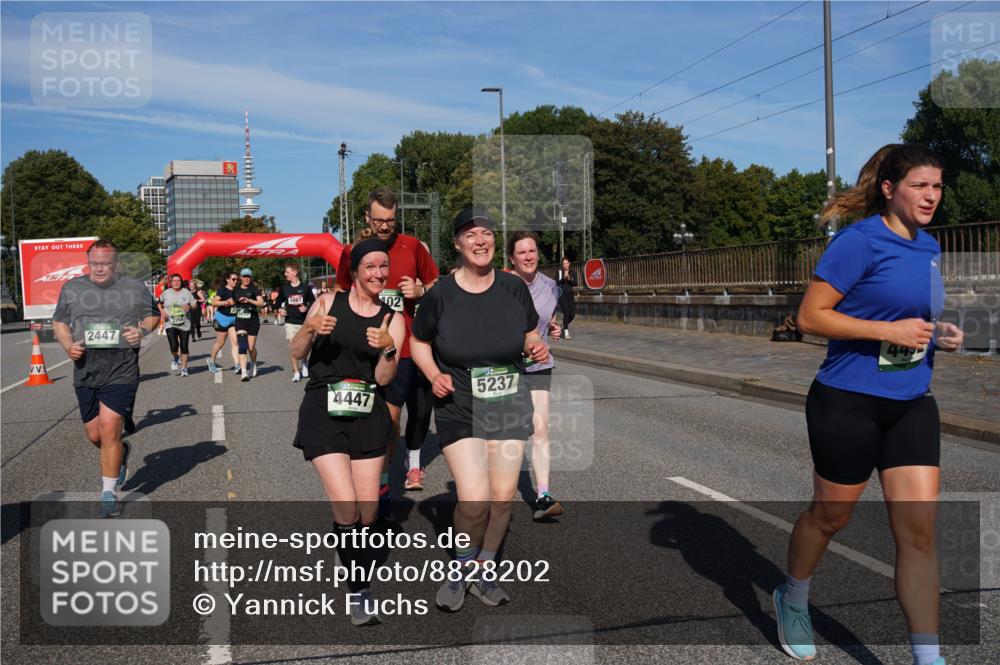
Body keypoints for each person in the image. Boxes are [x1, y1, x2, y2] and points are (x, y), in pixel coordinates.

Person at [774, 144, 962, 665]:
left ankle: (929, 657)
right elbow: (810, 317)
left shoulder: (929, 248)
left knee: (918, 534)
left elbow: (911, 314)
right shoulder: (859, 241)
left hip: (911, 403)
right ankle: (792, 597)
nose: (932, 196)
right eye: (920, 185)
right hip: (848, 401)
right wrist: (889, 329)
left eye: (938, 186)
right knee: (831, 515)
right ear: (889, 188)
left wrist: (937, 331)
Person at [411, 206, 548, 612]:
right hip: (460, 405)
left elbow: (526, 334)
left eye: (486, 233)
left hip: (507, 402)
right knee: (474, 499)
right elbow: (419, 342)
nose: (480, 240)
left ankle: (485, 569)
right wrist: (434, 373)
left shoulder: (512, 289)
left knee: (503, 497)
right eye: (470, 235)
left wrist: (535, 345)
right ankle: (460, 567)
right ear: (457, 244)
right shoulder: (440, 295)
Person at [290, 238, 405, 626]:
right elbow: (296, 352)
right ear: (354, 271)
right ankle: (359, 591)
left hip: (368, 409)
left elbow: (384, 377)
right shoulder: (326, 302)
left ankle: (346, 535)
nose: (378, 274)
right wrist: (309, 327)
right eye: (370, 267)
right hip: (323, 407)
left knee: (368, 511)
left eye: (383, 267)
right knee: (345, 503)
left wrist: (389, 349)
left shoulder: (393, 317)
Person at [335, 188, 439, 500]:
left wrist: (420, 290)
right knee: (366, 416)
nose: (384, 226)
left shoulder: (412, 247)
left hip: (403, 348)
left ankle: (386, 477)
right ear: (367, 216)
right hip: (363, 349)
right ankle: (370, 476)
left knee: (395, 417)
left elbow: (435, 285)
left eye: (390, 221)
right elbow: (341, 293)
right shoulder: (352, 250)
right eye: (379, 220)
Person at [51, 239, 160, 517]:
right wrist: (67, 346)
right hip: (86, 369)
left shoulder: (133, 287)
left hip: (121, 369)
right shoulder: (72, 288)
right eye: (94, 264)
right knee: (95, 434)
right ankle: (121, 451)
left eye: (106, 264)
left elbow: (153, 316)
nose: (99, 269)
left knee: (110, 427)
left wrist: (141, 331)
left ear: (117, 264)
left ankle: (108, 493)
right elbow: (60, 322)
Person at [508, 230, 565, 521]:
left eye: (532, 251)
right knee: (508, 433)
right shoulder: (502, 286)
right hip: (506, 368)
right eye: (522, 253)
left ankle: (543, 495)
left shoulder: (551, 286)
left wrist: (553, 328)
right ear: (512, 259)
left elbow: (549, 319)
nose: (528, 257)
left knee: (540, 428)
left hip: (539, 366)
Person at [277, 263, 316, 382]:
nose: (285, 274)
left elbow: (313, 303)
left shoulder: (305, 288)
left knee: (305, 347)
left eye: (287, 272)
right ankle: (296, 372)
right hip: (290, 321)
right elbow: (277, 302)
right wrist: (280, 310)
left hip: (303, 322)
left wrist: (306, 308)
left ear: (295, 272)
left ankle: (304, 362)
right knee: (292, 347)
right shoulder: (285, 288)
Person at [159, 274, 196, 377]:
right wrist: (162, 311)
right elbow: (158, 302)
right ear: (170, 283)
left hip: (184, 324)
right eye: (174, 281)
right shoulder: (166, 293)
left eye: (178, 281)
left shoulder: (186, 292)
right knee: (173, 345)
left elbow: (194, 305)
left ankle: (184, 368)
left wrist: (189, 306)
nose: (176, 282)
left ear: (181, 282)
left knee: (184, 347)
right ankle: (175, 357)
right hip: (170, 323)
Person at [233, 268, 265, 381]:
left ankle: (254, 363)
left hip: (253, 320)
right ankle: (244, 372)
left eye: (248, 277)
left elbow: (261, 303)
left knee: (251, 348)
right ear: (240, 278)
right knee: (242, 344)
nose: (246, 278)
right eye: (244, 276)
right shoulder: (235, 290)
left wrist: (249, 300)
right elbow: (230, 301)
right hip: (240, 320)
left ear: (251, 278)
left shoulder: (254, 289)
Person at [208, 273, 240, 374]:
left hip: (233, 319)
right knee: (220, 343)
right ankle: (211, 361)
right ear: (227, 280)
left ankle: (237, 365)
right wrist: (225, 302)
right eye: (233, 279)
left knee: (235, 342)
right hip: (222, 319)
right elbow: (214, 303)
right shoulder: (222, 290)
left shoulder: (237, 290)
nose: (236, 281)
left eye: (237, 279)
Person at [557, 258, 577, 339]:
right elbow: (555, 282)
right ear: (562, 264)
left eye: (567, 263)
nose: (565, 265)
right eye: (564, 263)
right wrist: (563, 279)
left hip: (570, 295)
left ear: (569, 263)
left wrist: (569, 279)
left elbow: (575, 283)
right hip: (562, 296)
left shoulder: (573, 272)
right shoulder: (559, 272)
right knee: (566, 313)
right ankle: (566, 333)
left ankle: (564, 326)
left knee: (572, 314)